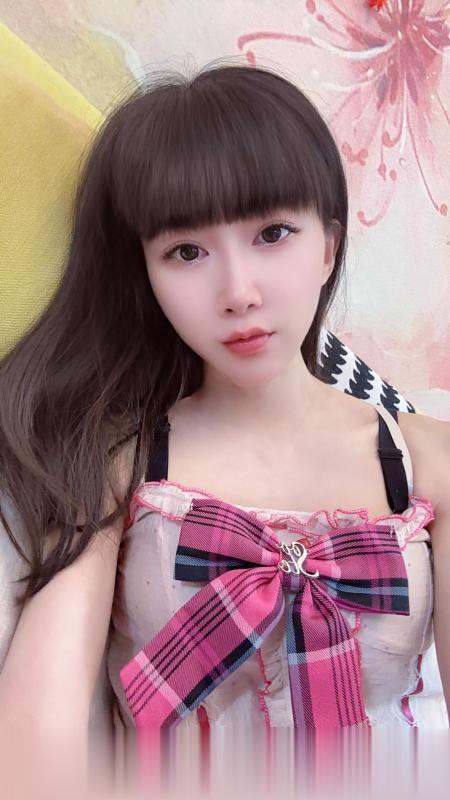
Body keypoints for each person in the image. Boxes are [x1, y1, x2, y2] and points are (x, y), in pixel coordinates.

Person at [0, 60, 449, 767]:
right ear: (146, 275)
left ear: (328, 246)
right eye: (186, 252)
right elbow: (36, 745)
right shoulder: (116, 463)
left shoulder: (428, 459)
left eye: (273, 234)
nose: (238, 292)